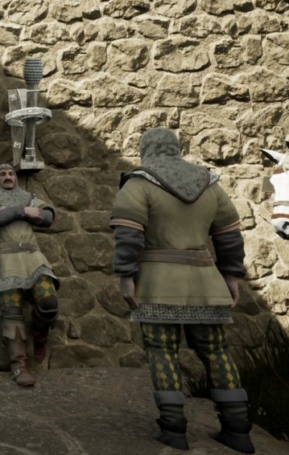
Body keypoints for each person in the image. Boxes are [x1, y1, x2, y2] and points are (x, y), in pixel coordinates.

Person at [111, 128, 253, 453]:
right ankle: (238, 429)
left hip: (158, 283)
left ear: (146, 148)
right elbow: (229, 236)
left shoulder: (139, 183)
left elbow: (129, 236)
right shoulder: (210, 185)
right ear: (176, 148)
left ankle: (174, 430)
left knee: (162, 352)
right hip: (207, 283)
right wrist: (231, 276)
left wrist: (126, 276)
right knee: (217, 352)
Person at [0, 164, 58, 388]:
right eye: (2, 174)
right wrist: (23, 212)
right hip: (7, 261)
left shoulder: (28, 196)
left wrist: (8, 211)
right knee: (12, 313)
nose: (8, 176)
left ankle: (40, 335)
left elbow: (48, 216)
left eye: (11, 173)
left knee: (49, 302)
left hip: (33, 258)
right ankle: (19, 366)